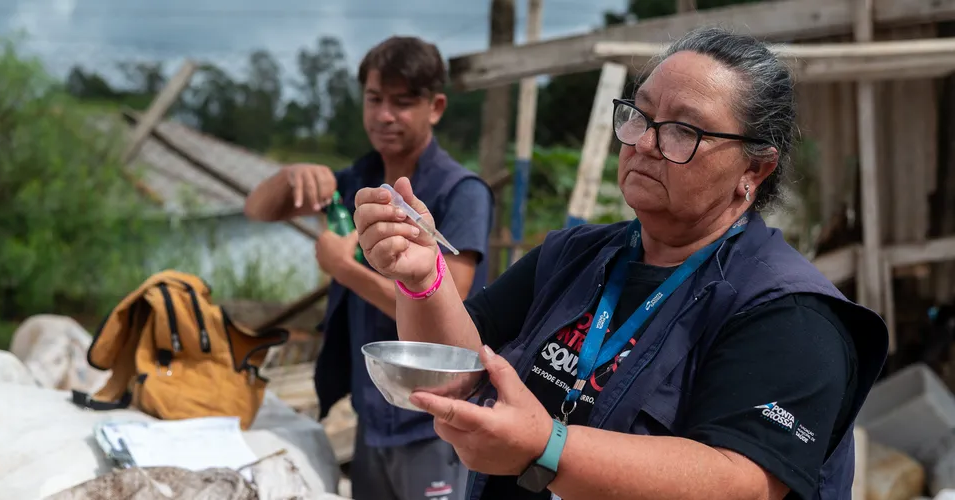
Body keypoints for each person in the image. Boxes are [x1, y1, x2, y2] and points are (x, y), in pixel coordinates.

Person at [352, 27, 889, 500]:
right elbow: (458, 373)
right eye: (640, 115)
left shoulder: (791, 313)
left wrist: (546, 446)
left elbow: (741, 481)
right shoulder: (574, 256)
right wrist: (422, 277)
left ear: (755, 166)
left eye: (684, 130)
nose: (647, 143)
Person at [244, 36, 494, 500]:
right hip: (373, 408)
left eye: (402, 103)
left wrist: (344, 268)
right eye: (375, 99)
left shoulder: (461, 193)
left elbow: (452, 299)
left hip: (432, 418)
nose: (384, 115)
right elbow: (258, 210)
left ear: (435, 106)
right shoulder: (357, 181)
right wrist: (290, 176)